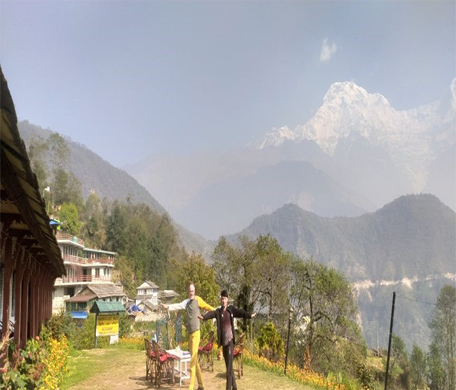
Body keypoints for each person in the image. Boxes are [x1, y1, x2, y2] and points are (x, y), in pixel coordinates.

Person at [200, 290, 256, 390]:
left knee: (229, 370)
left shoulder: (231, 309)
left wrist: (249, 315)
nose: (223, 300)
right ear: (221, 299)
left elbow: (241, 312)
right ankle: (234, 387)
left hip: (230, 341)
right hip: (224, 342)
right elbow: (211, 314)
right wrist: (203, 317)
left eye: (225, 299)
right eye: (222, 298)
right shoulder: (218, 311)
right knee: (228, 366)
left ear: (227, 299)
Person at [162, 282, 214, 390]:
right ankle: (200, 385)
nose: (191, 293)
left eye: (193, 291)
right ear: (188, 291)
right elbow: (177, 305)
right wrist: (167, 307)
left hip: (196, 333)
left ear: (195, 291)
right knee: (194, 360)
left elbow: (207, 306)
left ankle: (191, 387)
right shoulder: (186, 302)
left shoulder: (198, 300)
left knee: (192, 362)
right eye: (190, 291)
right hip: (190, 334)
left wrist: (217, 311)